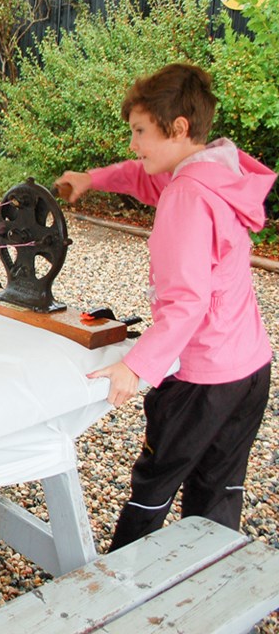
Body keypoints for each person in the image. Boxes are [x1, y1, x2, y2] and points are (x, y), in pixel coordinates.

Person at [55, 63, 275, 551]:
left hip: (201, 379)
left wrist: (137, 368)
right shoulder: (216, 170)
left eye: (140, 131)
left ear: (177, 128)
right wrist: (94, 178)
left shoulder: (188, 197)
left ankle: (119, 595)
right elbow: (142, 177)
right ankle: (208, 587)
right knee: (219, 490)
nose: (133, 143)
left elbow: (186, 301)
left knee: (154, 488)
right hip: (249, 368)